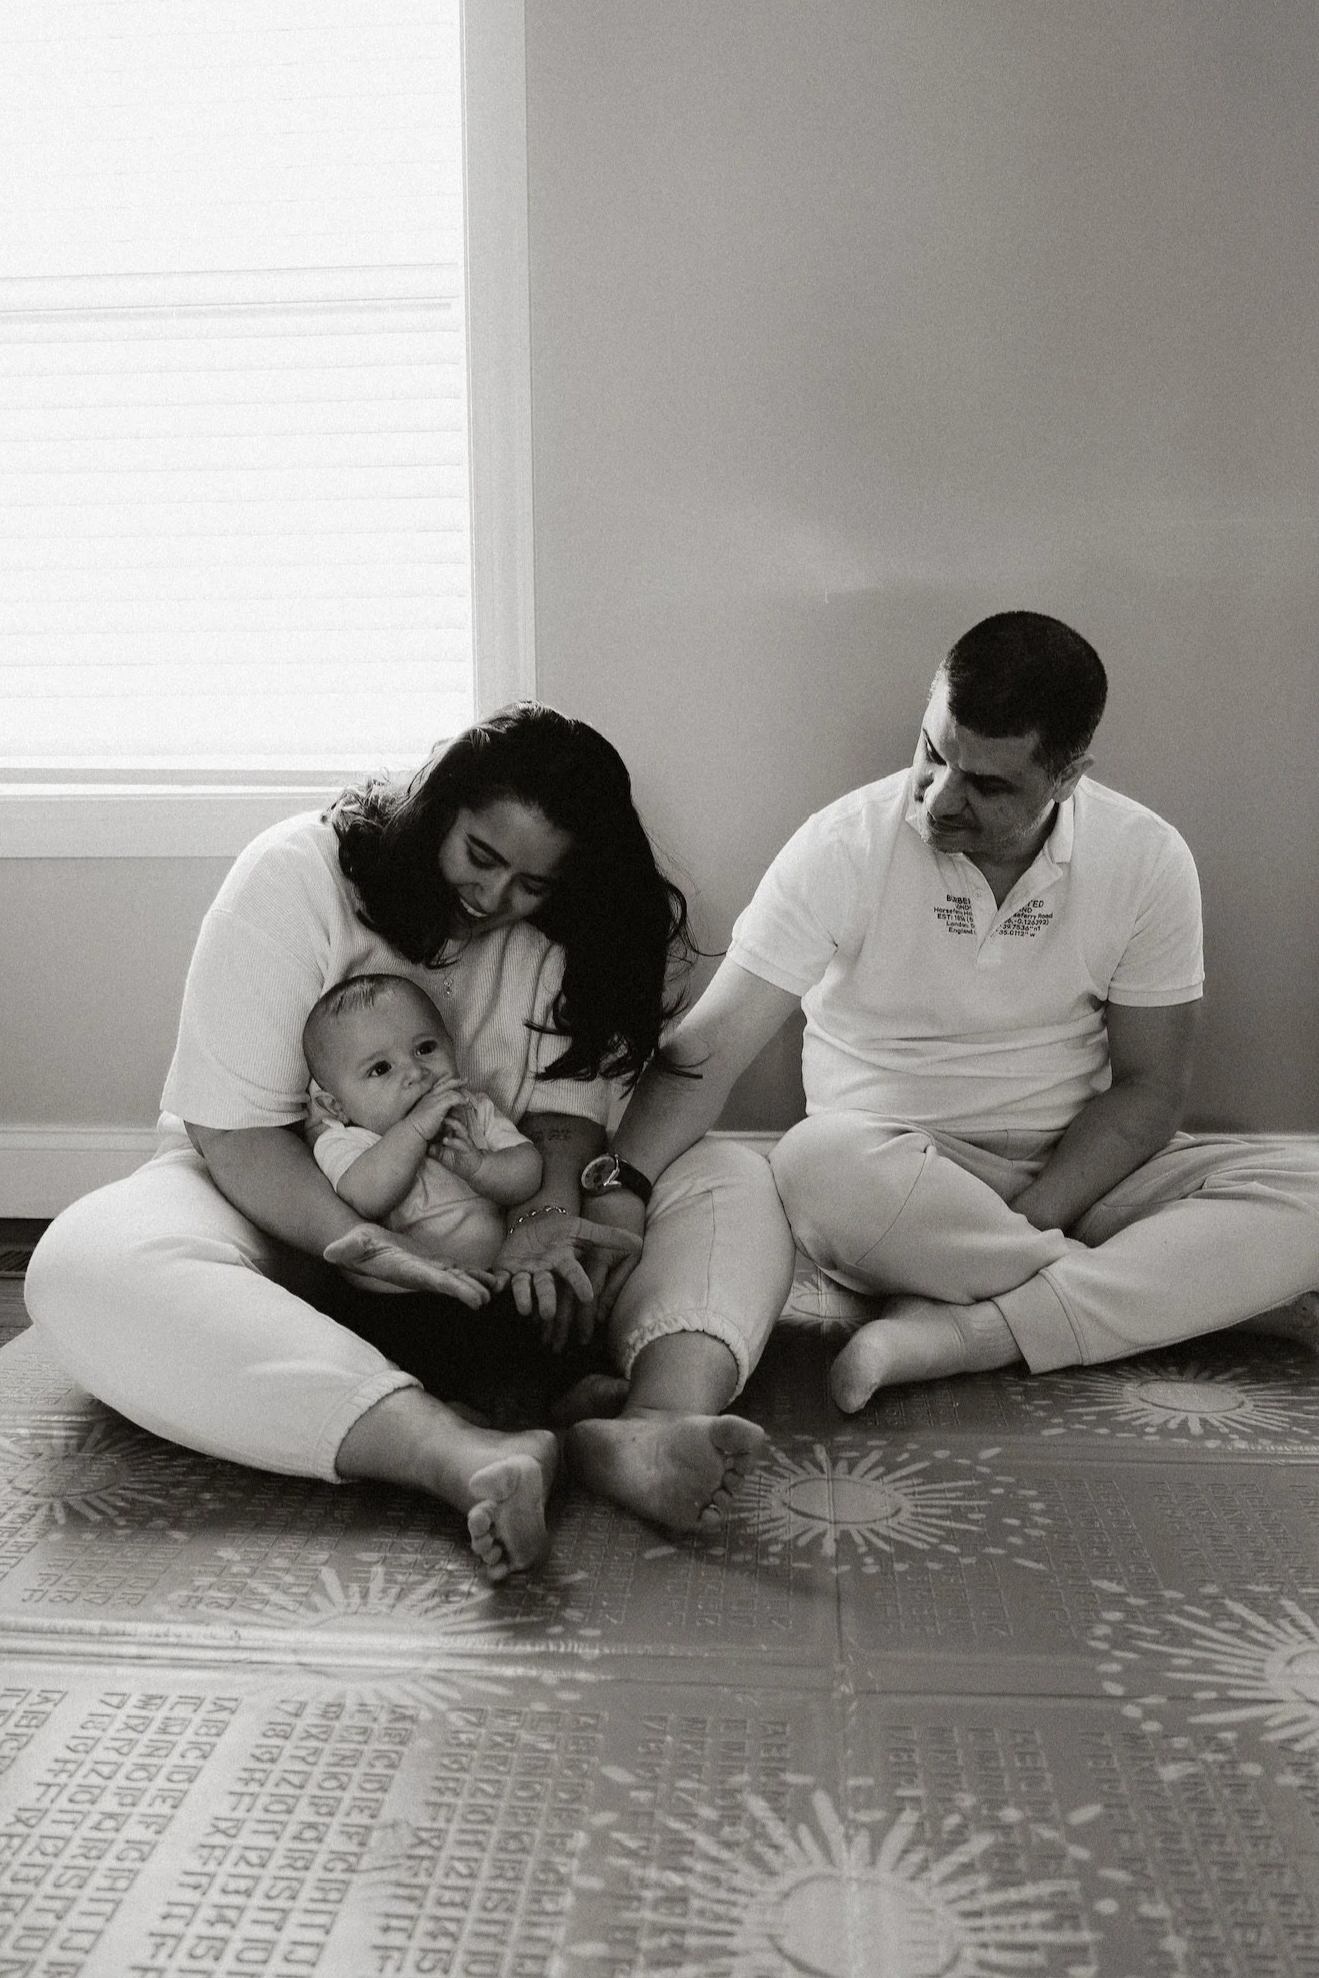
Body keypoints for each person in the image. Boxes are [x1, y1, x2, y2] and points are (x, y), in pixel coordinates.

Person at [25, 705, 797, 1580]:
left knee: (732, 1176)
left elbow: (561, 1118)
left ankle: (650, 1427)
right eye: (481, 856)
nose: (494, 899)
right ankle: (451, 1452)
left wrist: (546, 1213)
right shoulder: (295, 875)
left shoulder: (568, 930)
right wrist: (369, 1246)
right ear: (437, 808)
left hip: (493, 1221)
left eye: (532, 886)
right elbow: (235, 1132)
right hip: (286, 1204)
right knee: (83, 1266)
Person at [605, 611, 1319, 1409]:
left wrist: (1039, 1214)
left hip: (1079, 1169)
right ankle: (1169, 1298)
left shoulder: (1146, 857)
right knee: (811, 1164)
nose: (940, 799)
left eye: (985, 784)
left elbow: (1149, 1089)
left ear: (1068, 777)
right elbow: (708, 1048)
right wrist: (618, 1186)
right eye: (932, 753)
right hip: (893, 1173)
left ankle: (961, 1331)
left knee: (1312, 1196)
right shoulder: (841, 845)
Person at [304, 972, 542, 1278]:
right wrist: (415, 1129)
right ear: (335, 1106)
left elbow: (530, 1172)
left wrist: (481, 1168)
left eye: (425, 1048)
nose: (416, 1071)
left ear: (452, 1046)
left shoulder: (470, 1108)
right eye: (381, 1069)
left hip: (494, 1274)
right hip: (402, 1290)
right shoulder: (347, 1140)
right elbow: (366, 1198)